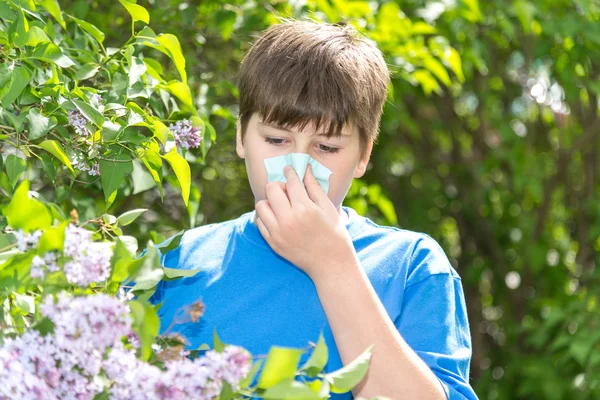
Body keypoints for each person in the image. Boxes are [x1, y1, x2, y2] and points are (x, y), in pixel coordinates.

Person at [151, 20, 478, 399]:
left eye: (327, 147)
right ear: (241, 136)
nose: (296, 166)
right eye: (276, 139)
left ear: (363, 155)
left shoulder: (412, 266)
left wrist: (332, 265)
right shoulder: (172, 264)